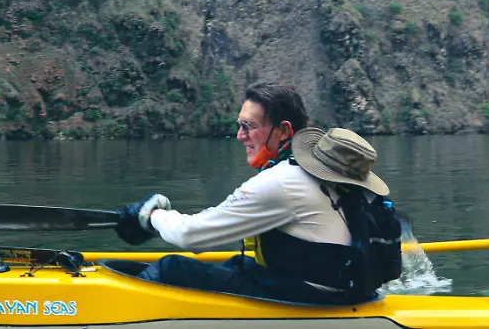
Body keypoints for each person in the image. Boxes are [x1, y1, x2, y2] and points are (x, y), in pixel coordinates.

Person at [114, 83, 400, 304]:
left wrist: (152, 215)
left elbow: (192, 235)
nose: (240, 136)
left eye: (248, 127)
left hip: (317, 300)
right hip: (347, 292)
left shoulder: (283, 181)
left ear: (284, 131)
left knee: (172, 268)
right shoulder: (336, 177)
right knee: (238, 264)